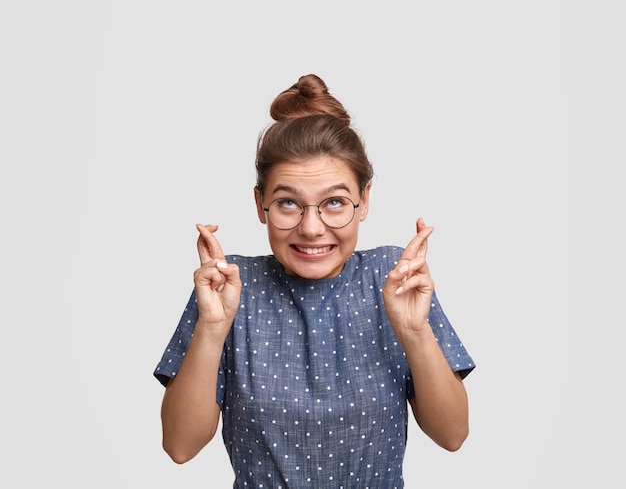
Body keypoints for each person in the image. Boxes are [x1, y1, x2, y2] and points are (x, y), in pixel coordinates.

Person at [154, 74, 475, 487]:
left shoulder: (392, 277)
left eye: (335, 203)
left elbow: (452, 435)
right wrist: (213, 328)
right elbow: (180, 447)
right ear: (260, 204)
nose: (311, 228)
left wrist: (414, 332)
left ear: (364, 201)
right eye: (288, 202)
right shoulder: (229, 285)